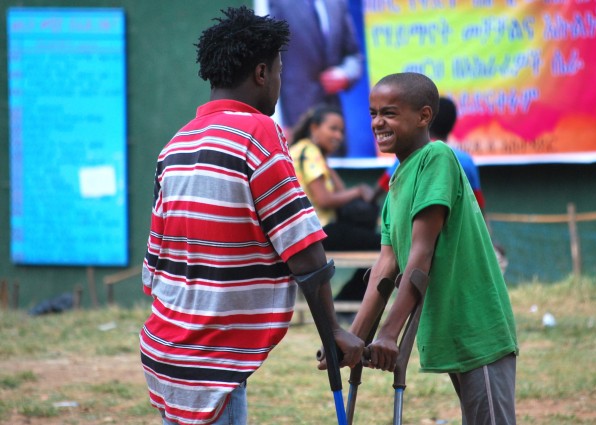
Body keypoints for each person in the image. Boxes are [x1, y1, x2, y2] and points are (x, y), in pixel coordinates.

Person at [139, 7, 363, 425]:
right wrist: (332, 332)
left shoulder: (175, 146)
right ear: (262, 73)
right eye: (278, 70)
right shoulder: (259, 133)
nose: (279, 81)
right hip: (213, 361)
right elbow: (306, 254)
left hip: (169, 352)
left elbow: (154, 269)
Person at [350, 72, 518, 424]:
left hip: (476, 325)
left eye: (390, 113)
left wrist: (387, 333)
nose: (378, 122)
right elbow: (385, 267)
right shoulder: (397, 180)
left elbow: (420, 255)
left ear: (424, 116)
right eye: (373, 113)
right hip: (448, 324)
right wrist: (352, 339)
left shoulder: (437, 157)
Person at [374, 96, 508, 273]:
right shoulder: (465, 161)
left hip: (413, 242)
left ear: (423, 119)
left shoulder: (408, 155)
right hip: (454, 239)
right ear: (453, 124)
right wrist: (490, 240)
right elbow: (478, 205)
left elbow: (380, 189)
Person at [288, 104, 381, 318]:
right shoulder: (309, 152)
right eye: (332, 129)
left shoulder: (307, 151)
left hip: (310, 231)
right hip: (319, 231)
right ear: (314, 128)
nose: (338, 136)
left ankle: (344, 305)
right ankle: (345, 305)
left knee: (373, 240)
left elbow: (339, 190)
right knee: (384, 248)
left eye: (341, 131)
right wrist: (358, 190)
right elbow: (325, 199)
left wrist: (327, 165)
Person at [268, 0, 363, 155]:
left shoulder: (337, 4)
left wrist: (344, 74)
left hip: (332, 120)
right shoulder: (279, 3)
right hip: (293, 122)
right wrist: (277, 121)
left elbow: (353, 56)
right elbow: (268, 62)